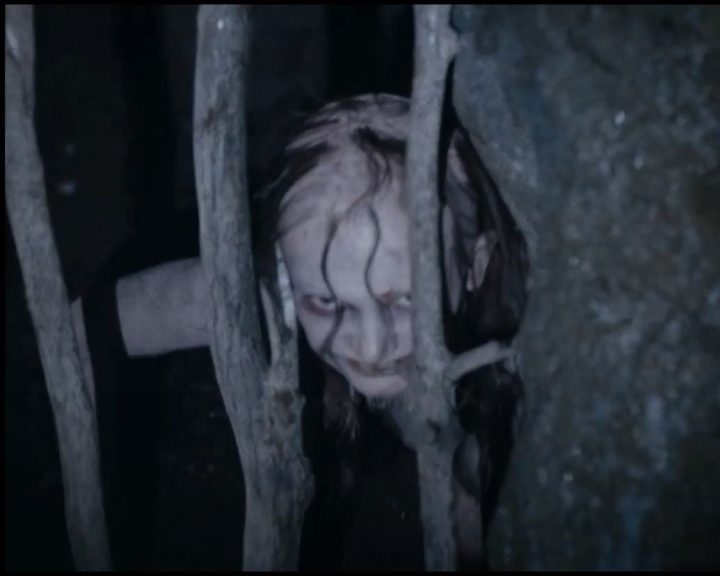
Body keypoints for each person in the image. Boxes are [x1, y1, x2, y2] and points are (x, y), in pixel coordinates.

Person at [72, 93, 529, 570]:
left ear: (476, 263)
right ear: (284, 272)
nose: (371, 345)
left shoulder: (523, 365)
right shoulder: (275, 290)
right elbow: (84, 330)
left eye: (404, 301)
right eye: (328, 302)